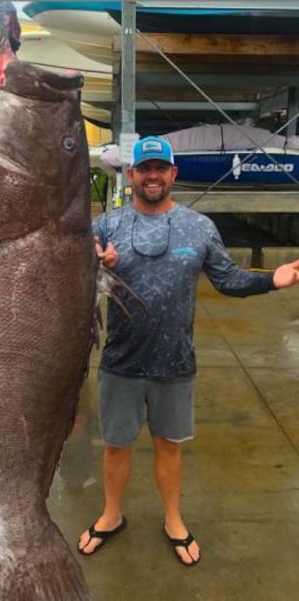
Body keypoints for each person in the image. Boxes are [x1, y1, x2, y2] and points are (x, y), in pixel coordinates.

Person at [77, 135, 299, 566]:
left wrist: (273, 279)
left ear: (173, 174)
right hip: (120, 363)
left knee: (169, 445)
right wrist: (91, 260)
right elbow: (72, 269)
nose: (153, 176)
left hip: (175, 363)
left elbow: (228, 279)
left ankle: (173, 519)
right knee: (115, 446)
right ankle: (110, 514)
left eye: (161, 169)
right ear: (132, 174)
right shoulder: (107, 226)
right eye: (145, 169)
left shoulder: (199, 228)